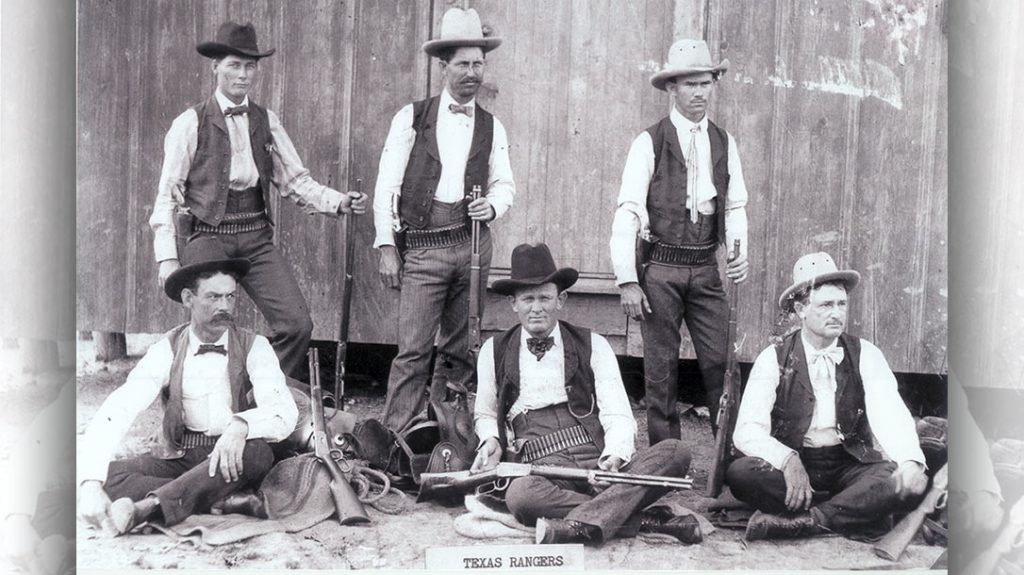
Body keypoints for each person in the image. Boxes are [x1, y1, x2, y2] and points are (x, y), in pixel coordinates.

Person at [150, 21, 366, 381]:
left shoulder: (267, 121)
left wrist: (339, 202)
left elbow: (296, 180)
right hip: (207, 239)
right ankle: (204, 409)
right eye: (234, 65)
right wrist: (168, 259)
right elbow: (166, 196)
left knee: (297, 324)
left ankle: (264, 398)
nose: (243, 74)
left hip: (254, 237)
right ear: (215, 66)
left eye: (250, 66)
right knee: (211, 326)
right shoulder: (190, 123)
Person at [472, 243, 697, 546]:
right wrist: (491, 441)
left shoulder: (595, 344)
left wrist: (613, 459)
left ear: (561, 299)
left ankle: (584, 519)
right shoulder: (493, 350)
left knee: (676, 452)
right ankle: (641, 519)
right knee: (521, 497)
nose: (536, 308)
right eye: (527, 299)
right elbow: (485, 413)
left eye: (544, 298)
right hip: (543, 470)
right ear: (513, 303)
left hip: (597, 463)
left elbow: (618, 414)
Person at [77, 237, 298, 536]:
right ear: (187, 298)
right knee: (109, 476)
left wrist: (241, 426)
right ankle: (223, 500)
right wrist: (90, 483)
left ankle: (150, 507)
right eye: (213, 297)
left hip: (230, 460)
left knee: (259, 454)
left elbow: (284, 411)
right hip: (179, 459)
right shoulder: (166, 349)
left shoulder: (255, 346)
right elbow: (119, 407)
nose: (224, 307)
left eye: (230, 297)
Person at [373, 7, 515, 434]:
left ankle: (443, 435)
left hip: (472, 246)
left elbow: (505, 184)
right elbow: (387, 185)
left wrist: (491, 207)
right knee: (414, 350)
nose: (472, 73)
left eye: (478, 64)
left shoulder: (492, 126)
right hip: (423, 248)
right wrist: (385, 246)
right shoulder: (411, 118)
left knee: (459, 348)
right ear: (442, 66)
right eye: (463, 64)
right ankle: (395, 438)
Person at [726, 252, 927, 541]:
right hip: (795, 464)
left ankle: (810, 520)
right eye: (826, 305)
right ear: (801, 309)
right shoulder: (773, 358)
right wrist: (787, 460)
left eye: (841, 304)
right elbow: (747, 430)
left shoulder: (865, 353)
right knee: (741, 474)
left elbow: (891, 414)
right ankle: (852, 511)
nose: (837, 313)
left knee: (892, 477)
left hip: (849, 465)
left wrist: (910, 461)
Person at [609, 39, 750, 446]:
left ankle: (731, 460)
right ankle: (665, 459)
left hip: (705, 268)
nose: (699, 93)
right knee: (660, 368)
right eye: (690, 85)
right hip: (662, 270)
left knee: (721, 363)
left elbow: (736, 204)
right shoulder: (649, 142)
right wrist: (627, 280)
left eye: (705, 83)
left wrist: (737, 254)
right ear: (672, 88)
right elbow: (628, 212)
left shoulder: (724, 142)